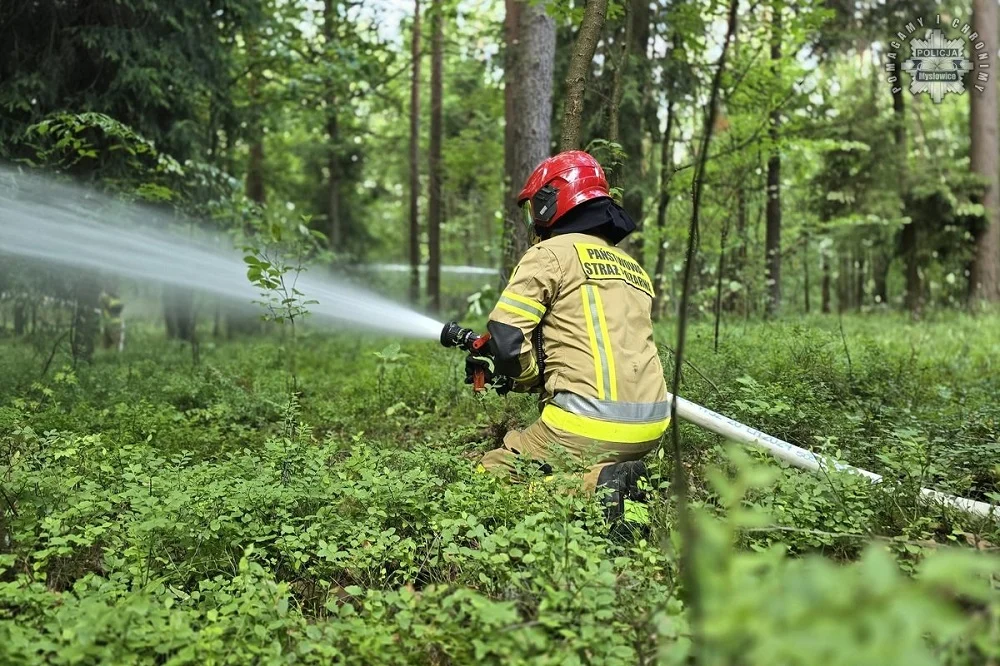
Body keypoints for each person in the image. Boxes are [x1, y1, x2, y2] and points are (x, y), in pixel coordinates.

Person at [470, 151, 668, 523]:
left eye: (533, 209)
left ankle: (597, 487)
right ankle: (622, 483)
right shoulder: (631, 266)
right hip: (651, 426)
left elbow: (508, 337)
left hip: (586, 424)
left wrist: (521, 375)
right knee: (562, 463)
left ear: (551, 201)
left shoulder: (550, 253)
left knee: (490, 476)